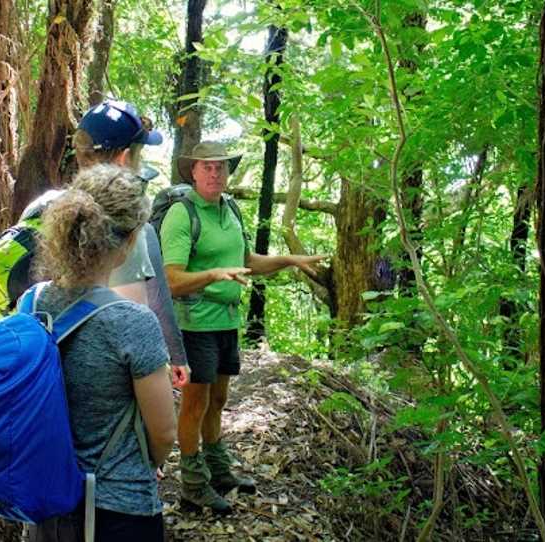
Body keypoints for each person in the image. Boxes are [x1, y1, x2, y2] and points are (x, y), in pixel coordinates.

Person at [160, 141, 326, 513]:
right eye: (207, 166)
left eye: (221, 166)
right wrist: (213, 275)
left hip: (226, 321)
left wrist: (289, 260)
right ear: (193, 171)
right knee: (195, 403)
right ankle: (191, 484)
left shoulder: (230, 209)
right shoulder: (181, 215)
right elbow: (171, 279)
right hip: (195, 323)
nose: (215, 173)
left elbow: (245, 261)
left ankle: (219, 471)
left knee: (218, 400)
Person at [27, 164, 175, 541]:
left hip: (47, 503)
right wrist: (144, 464)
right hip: (120, 508)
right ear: (128, 242)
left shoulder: (32, 302)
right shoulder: (133, 322)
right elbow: (164, 433)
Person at [22, 99, 189, 387]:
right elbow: (133, 325)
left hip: (37, 380)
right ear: (124, 158)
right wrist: (174, 358)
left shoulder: (43, 207)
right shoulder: (127, 227)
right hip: (100, 389)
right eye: (139, 153)